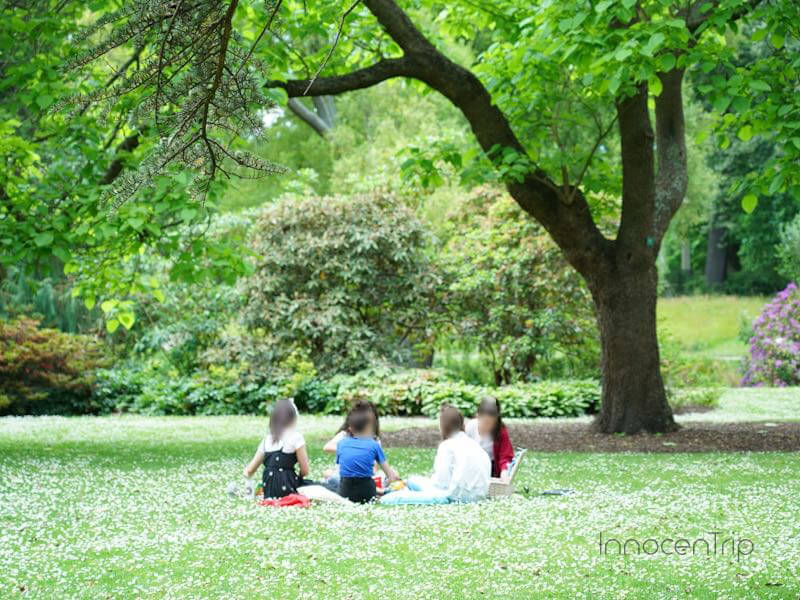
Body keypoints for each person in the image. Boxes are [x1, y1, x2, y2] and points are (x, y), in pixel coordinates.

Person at [387, 405, 490, 504]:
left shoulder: (447, 445)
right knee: (412, 481)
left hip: (454, 497)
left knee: (392, 496)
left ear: (443, 426)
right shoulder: (474, 445)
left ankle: (392, 492)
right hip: (478, 496)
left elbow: (441, 482)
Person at [243, 398, 311, 499]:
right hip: (289, 487)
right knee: (313, 486)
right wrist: (299, 479)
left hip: (269, 491)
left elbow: (249, 470)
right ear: (293, 418)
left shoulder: (267, 440)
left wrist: (248, 480)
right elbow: (305, 471)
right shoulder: (296, 437)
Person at [336, 407, 399, 503]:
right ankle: (381, 492)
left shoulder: (341, 443)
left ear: (350, 428)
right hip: (366, 493)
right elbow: (391, 476)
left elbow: (341, 469)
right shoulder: (374, 445)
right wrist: (386, 484)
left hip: (344, 493)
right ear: (368, 427)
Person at [321, 400, 381, 492]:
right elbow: (327, 447)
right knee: (328, 473)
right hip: (345, 475)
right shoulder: (345, 435)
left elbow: (375, 466)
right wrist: (352, 450)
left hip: (364, 476)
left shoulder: (374, 440)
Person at [465, 396, 514, 480]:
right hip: (471, 467)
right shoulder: (470, 427)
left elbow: (505, 456)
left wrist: (504, 472)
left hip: (490, 470)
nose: (488, 427)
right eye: (485, 423)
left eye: (491, 424)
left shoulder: (500, 431)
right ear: (478, 416)